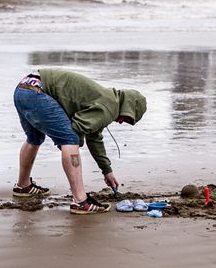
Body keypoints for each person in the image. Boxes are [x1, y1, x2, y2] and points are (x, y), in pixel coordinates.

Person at [11, 67, 147, 214]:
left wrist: (107, 171)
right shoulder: (109, 107)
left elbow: (94, 138)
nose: (121, 122)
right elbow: (78, 128)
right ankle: (81, 201)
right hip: (38, 93)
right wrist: (72, 144)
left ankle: (23, 186)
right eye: (127, 118)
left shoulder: (108, 99)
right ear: (128, 107)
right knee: (70, 138)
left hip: (23, 89)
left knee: (34, 138)